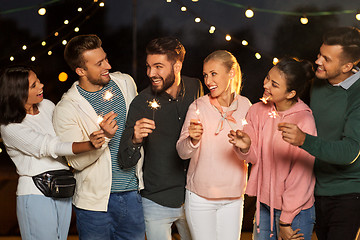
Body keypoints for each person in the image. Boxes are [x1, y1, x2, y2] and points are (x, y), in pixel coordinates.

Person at [52, 34, 145, 240]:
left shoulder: (125, 83)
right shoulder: (66, 108)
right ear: (81, 71)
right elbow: (76, 162)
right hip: (94, 204)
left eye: (106, 59)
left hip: (132, 196)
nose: (108, 66)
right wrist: (104, 138)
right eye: (99, 63)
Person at [0, 66, 105, 240]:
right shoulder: (10, 127)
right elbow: (52, 146)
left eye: (38, 80)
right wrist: (89, 145)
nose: (41, 86)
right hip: (36, 193)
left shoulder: (47, 106)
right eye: (34, 85)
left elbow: (66, 133)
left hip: (62, 187)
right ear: (18, 93)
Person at [277, 27, 360, 240]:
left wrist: (304, 140)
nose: (318, 61)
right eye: (319, 54)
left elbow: (349, 151)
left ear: (348, 66)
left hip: (349, 194)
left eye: (327, 58)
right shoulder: (317, 84)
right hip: (315, 192)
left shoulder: (357, 95)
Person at [119, 37, 203, 240]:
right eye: (148, 67)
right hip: (156, 200)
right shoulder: (141, 103)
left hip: (194, 197)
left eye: (158, 66)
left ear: (177, 65)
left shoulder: (195, 87)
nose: (151, 73)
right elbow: (124, 160)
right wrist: (135, 139)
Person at [229, 57, 317, 240]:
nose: (266, 85)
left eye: (274, 84)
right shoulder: (257, 111)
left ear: (291, 93)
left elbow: (302, 176)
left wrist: (286, 221)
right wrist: (245, 147)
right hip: (265, 206)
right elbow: (254, 158)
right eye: (268, 78)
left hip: (296, 212)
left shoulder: (304, 121)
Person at [176, 50, 251, 240]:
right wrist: (192, 140)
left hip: (234, 198)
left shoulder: (246, 106)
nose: (208, 80)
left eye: (214, 73)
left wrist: (245, 147)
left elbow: (253, 154)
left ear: (231, 73)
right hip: (200, 199)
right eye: (206, 75)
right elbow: (182, 153)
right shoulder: (198, 106)